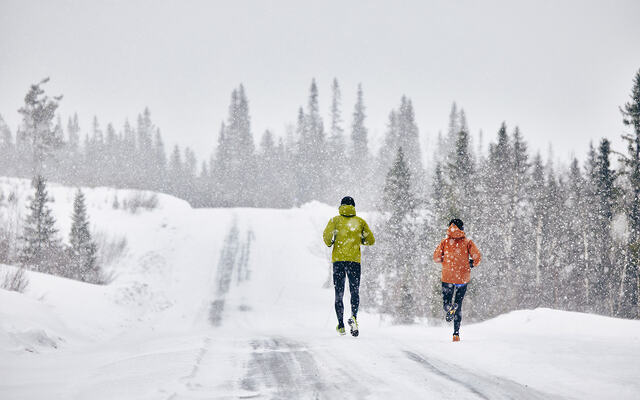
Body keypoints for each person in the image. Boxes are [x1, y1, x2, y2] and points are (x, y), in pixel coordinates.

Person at [323, 196, 375, 336]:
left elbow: (327, 237)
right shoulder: (360, 222)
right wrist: (359, 240)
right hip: (354, 262)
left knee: (339, 293)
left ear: (341, 206)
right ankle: (354, 317)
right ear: (353, 207)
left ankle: (341, 325)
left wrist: (331, 242)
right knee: (354, 291)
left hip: (338, 261)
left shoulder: (335, 221)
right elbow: (370, 240)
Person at [433, 218, 482, 342]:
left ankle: (449, 308)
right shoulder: (467, 242)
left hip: (448, 277)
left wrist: (446, 261)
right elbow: (477, 257)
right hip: (462, 278)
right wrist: (471, 264)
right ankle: (456, 334)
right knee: (459, 305)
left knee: (446, 302)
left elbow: (436, 258)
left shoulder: (445, 242)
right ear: (462, 228)